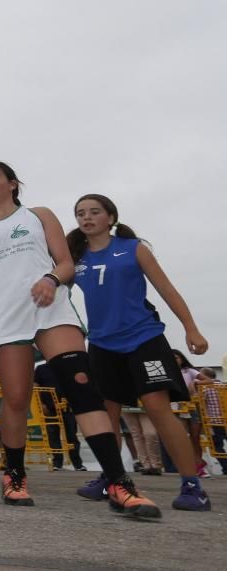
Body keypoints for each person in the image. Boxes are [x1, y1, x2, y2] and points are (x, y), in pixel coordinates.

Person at [0, 162, 158, 517]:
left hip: (48, 306)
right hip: (2, 316)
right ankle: (14, 475)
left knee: (82, 385)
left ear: (13, 183)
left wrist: (50, 280)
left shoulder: (39, 215)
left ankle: (118, 481)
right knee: (17, 398)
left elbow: (65, 263)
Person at [67, 193, 211, 511]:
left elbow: (167, 289)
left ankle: (192, 486)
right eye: (80, 213)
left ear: (111, 217)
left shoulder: (133, 249)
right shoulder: (76, 259)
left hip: (143, 338)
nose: (86, 218)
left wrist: (191, 328)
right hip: (103, 344)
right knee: (107, 414)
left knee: (156, 406)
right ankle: (112, 479)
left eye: (94, 212)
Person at [32, 359, 86, 471]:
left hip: (67, 406)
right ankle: (57, 463)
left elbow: (75, 385)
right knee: (53, 436)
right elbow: (35, 387)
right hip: (49, 407)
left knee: (71, 435)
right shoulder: (41, 369)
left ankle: (78, 464)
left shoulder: (67, 367)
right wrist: (41, 404)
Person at [172, 349, 214, 478]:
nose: (175, 360)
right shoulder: (167, 372)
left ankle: (199, 465)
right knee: (181, 436)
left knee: (195, 437)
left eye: (176, 357)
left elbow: (210, 380)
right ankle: (189, 465)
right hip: (176, 406)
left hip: (192, 406)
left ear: (182, 359)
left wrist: (196, 383)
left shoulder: (189, 371)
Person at [198, 368, 227, 475]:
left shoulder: (206, 388)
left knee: (217, 446)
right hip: (224, 419)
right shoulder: (222, 386)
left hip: (214, 421)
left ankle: (226, 468)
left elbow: (201, 404)